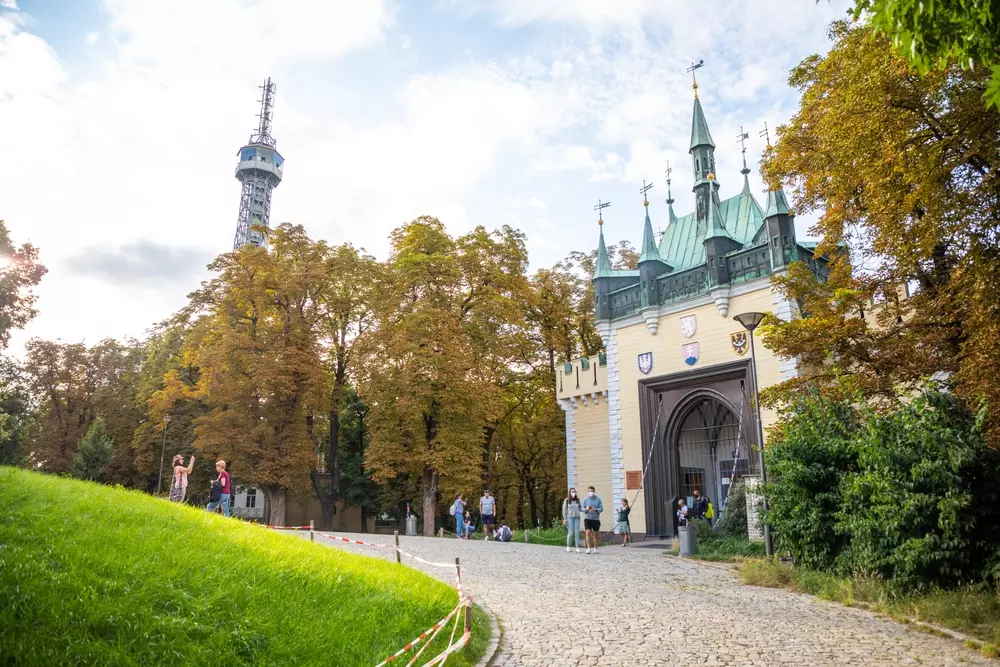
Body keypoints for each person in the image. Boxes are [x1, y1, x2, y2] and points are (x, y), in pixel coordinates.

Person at [582, 486, 603, 554]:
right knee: (587, 532)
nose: (591, 492)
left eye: (592, 491)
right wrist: (586, 508)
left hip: (595, 519)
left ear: (594, 491)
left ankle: (595, 548)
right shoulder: (585, 499)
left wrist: (596, 509)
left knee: (596, 534)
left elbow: (601, 508)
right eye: (590, 491)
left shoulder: (598, 499)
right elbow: (582, 508)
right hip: (587, 518)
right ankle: (588, 548)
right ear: (588, 492)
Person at [561, 487, 582, 553]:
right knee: (570, 533)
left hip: (577, 518)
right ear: (569, 493)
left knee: (576, 532)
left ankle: (577, 547)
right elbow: (564, 511)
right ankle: (568, 546)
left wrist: (587, 509)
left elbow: (580, 508)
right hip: (569, 518)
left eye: (574, 491)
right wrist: (565, 519)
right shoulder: (567, 500)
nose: (573, 493)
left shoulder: (578, 500)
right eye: (572, 491)